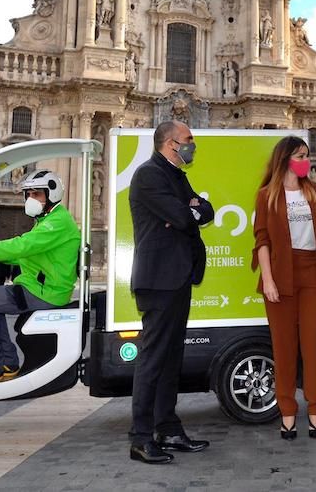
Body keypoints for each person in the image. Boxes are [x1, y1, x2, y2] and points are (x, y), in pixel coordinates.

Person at [127, 120, 214, 464]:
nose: (193, 144)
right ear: (171, 143)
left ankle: (168, 429)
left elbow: (204, 211)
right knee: (153, 358)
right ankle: (141, 437)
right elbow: (183, 217)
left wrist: (191, 209)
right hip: (159, 279)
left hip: (178, 277)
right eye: (188, 139)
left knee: (171, 357)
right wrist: (188, 209)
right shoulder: (149, 174)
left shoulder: (176, 174)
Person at [0, 170, 81, 382]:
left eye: (37, 194)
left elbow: (21, 246)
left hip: (46, 292)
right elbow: (24, 255)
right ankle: (6, 362)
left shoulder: (57, 222)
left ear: (52, 195)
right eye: (28, 194)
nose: (31, 199)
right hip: (39, 287)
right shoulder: (48, 220)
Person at [252, 136, 316, 441]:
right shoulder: (267, 195)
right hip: (280, 275)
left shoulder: (314, 191)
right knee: (283, 347)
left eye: (307, 156)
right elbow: (262, 240)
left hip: (312, 272)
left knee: (313, 345)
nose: (306, 161)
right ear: (285, 159)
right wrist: (268, 279)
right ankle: (287, 413)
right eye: (300, 156)